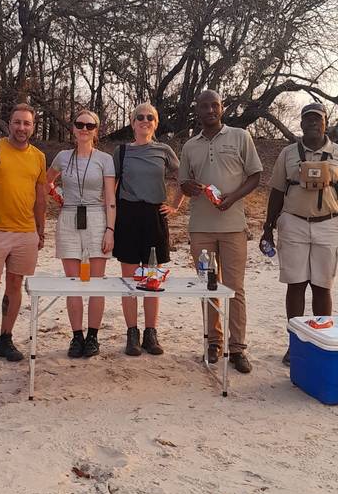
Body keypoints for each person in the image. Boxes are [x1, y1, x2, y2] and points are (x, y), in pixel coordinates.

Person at [179, 90, 262, 374]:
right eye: (204, 106)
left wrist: (234, 196)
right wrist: (187, 188)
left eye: (215, 105)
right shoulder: (190, 145)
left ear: (222, 108)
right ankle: (213, 342)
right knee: (208, 286)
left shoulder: (240, 137)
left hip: (233, 227)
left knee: (235, 289)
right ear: (197, 111)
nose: (210, 110)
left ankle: (237, 348)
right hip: (200, 228)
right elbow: (183, 183)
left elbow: (255, 176)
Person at [261, 101, 338, 365]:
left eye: (318, 119)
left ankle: (320, 344)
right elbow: (277, 191)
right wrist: (267, 227)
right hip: (293, 222)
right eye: (309, 119)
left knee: (322, 285)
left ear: (326, 123)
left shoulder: (337, 153)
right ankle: (296, 344)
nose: (314, 123)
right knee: (296, 284)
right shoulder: (288, 154)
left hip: (328, 224)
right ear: (301, 123)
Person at [0, 103, 47, 369]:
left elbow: (40, 197)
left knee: (15, 286)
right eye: (17, 122)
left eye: (27, 123)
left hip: (26, 232)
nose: (21, 128)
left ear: (33, 127)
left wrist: (41, 229)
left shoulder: (38, 156)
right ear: (9, 124)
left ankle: (5, 338)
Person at [113, 103, 182, 356]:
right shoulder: (121, 152)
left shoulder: (164, 150)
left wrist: (175, 205)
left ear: (156, 123)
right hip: (128, 215)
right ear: (132, 123)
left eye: (150, 117)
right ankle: (132, 332)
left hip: (154, 216)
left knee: (152, 278)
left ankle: (150, 333)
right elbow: (112, 185)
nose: (144, 120)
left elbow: (184, 177)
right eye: (139, 117)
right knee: (130, 279)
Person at [46, 110, 116, 358]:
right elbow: (46, 182)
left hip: (97, 217)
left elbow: (110, 197)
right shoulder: (63, 157)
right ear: (73, 129)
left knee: (96, 283)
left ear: (96, 130)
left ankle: (93, 336)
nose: (84, 129)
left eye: (90, 125)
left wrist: (110, 230)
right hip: (69, 217)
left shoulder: (105, 159)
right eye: (80, 124)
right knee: (73, 283)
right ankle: (76, 337)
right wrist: (57, 195)